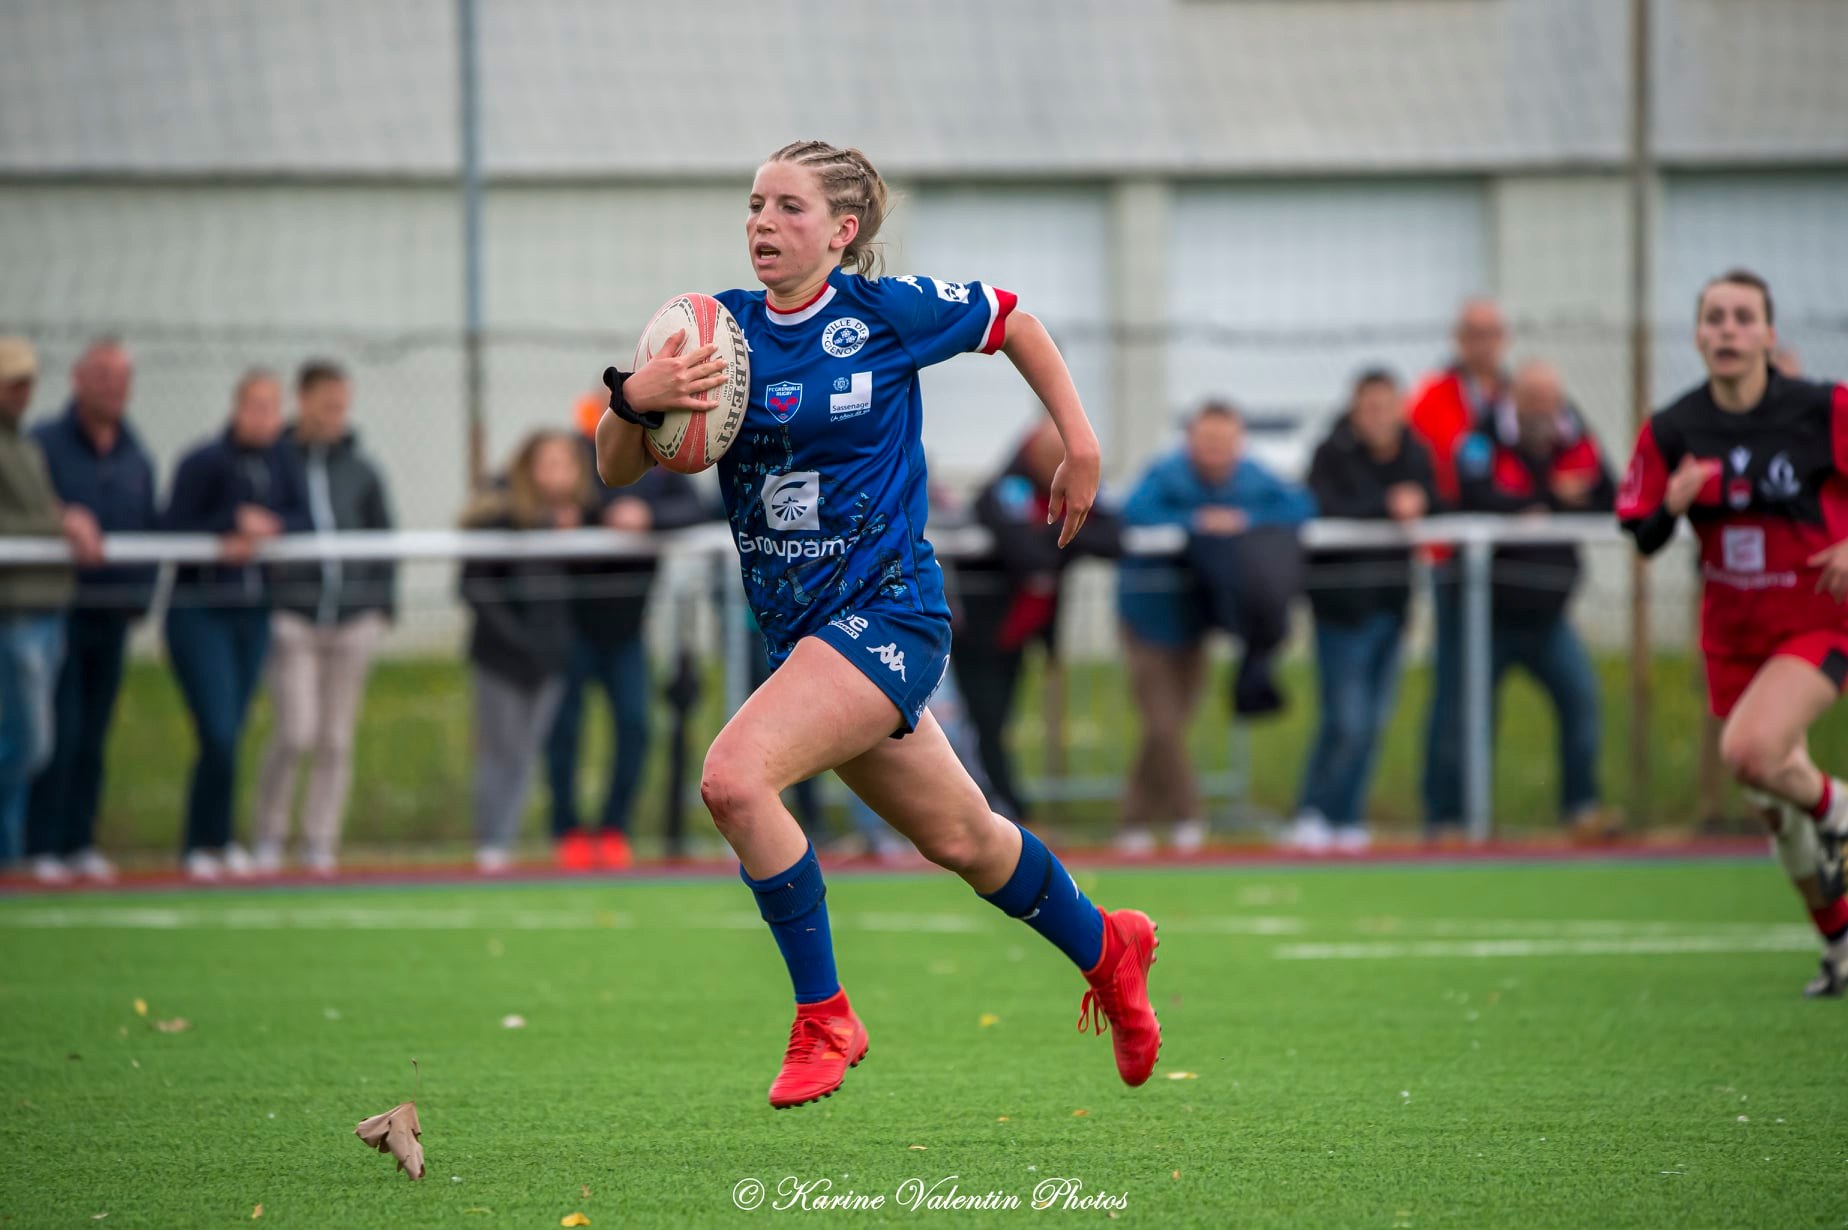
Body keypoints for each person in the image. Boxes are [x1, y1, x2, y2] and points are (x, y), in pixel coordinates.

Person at [593, 139, 1159, 1109]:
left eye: (790, 208)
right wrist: (631, 401)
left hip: (891, 612)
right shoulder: (714, 334)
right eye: (755, 204)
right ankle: (1109, 947)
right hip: (805, 642)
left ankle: (826, 1017)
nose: (763, 223)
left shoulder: (880, 316)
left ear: (842, 231)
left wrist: (1082, 440)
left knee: (733, 779)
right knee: (968, 841)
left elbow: (1013, 320)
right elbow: (615, 468)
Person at [1618, 268, 1848, 997]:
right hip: (1733, 636)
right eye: (1714, 317)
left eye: (1743, 318)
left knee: (1750, 753)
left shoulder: (1820, 409)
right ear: (1697, 334)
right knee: (1777, 814)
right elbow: (1641, 533)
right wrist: (1671, 506)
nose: (1727, 329)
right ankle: (1841, 947)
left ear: (1770, 335)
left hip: (1816, 618)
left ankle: (1841, 808)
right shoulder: (1676, 427)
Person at [1115, 400, 1315, 855]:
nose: (1216, 453)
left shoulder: (1254, 478)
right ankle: (1189, 817)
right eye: (1207, 443)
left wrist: (1246, 523)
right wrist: (1195, 524)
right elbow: (1132, 513)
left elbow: (1299, 508)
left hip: (1197, 623)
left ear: (1239, 443)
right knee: (1163, 724)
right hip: (1147, 619)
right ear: (1190, 441)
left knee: (1169, 728)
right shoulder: (1164, 475)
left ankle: (1133, 822)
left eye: (1225, 444)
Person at [1452, 360, 1617, 839]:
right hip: (1486, 612)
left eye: (1550, 399)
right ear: (1514, 399)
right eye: (1533, 399)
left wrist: (1550, 503)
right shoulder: (1482, 437)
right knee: (1468, 718)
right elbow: (1470, 495)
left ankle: (1581, 810)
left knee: (1581, 701)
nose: (1544, 409)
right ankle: (1462, 820)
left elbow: (1608, 495)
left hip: (1549, 613)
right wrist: (1547, 500)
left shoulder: (1574, 434)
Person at [546, 394, 711, 871]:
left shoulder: (661, 458)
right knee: (564, 732)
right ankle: (568, 831)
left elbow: (696, 508)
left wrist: (647, 518)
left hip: (627, 631)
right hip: (570, 628)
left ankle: (614, 828)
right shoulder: (576, 455)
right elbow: (534, 495)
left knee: (636, 728)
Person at [250, 360, 396, 876]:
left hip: (354, 619)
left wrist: (380, 607)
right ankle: (268, 836)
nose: (337, 415)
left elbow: (384, 538)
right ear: (303, 400)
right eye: (328, 404)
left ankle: (319, 841)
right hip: (294, 617)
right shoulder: (275, 462)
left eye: (343, 405)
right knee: (297, 731)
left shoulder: (361, 469)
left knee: (337, 737)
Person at [164, 369, 308, 881]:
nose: (265, 417)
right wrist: (227, 525)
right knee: (218, 730)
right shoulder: (204, 462)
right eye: (256, 405)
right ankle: (198, 842)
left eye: (273, 406)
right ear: (236, 406)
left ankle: (218, 839)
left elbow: (302, 517)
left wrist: (274, 527)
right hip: (201, 612)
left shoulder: (281, 463)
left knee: (232, 731)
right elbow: (171, 525)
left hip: (253, 613)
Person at [26, 339, 158, 884]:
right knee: (57, 730)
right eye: (102, 375)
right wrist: (61, 515)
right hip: (55, 609)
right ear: (78, 380)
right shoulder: (43, 445)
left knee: (94, 734)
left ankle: (80, 840)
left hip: (113, 612)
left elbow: (149, 525)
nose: (114, 386)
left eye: (122, 376)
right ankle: (40, 845)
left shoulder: (135, 452)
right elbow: (27, 510)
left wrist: (140, 597)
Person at [1291, 368, 1437, 852]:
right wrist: (1387, 507)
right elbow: (1324, 506)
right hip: (1340, 611)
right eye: (1368, 407)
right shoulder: (1331, 453)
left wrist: (1419, 503)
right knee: (1345, 719)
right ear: (1355, 409)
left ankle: (1348, 816)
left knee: (1374, 721)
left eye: (1386, 406)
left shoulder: (1415, 452)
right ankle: (1314, 811)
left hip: (1393, 608)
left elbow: (1435, 500)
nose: (1378, 417)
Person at [954, 420, 1122, 822]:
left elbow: (1115, 536)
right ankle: (1002, 808)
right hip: (977, 634)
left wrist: (1059, 537)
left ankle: (1001, 807)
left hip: (1020, 634)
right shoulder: (1003, 490)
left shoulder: (1072, 490)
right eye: (1054, 459)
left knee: (1000, 722)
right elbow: (1026, 554)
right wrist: (1069, 538)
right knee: (984, 723)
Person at [1407, 298, 1512, 835]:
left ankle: (1483, 808)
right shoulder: (1433, 397)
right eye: (1473, 332)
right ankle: (1443, 812)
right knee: (1454, 691)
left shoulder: (1517, 397)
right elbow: (1423, 464)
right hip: (1454, 567)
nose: (1483, 342)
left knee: (1497, 692)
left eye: (1491, 332)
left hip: (1511, 574)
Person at [461, 431, 586, 874]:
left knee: (525, 754)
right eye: (548, 461)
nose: (558, 472)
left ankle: (503, 844)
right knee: (501, 752)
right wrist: (520, 642)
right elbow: (474, 587)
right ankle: (491, 846)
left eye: (566, 462)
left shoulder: (577, 519)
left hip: (547, 661)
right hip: (501, 658)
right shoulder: (498, 515)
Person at [0, 338, 90, 873]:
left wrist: (64, 516)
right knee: (25, 743)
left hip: (45, 609)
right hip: (14, 612)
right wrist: (57, 527)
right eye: (14, 381)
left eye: (29, 381)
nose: (24, 392)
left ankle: (14, 855)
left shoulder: (26, 447)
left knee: (34, 743)